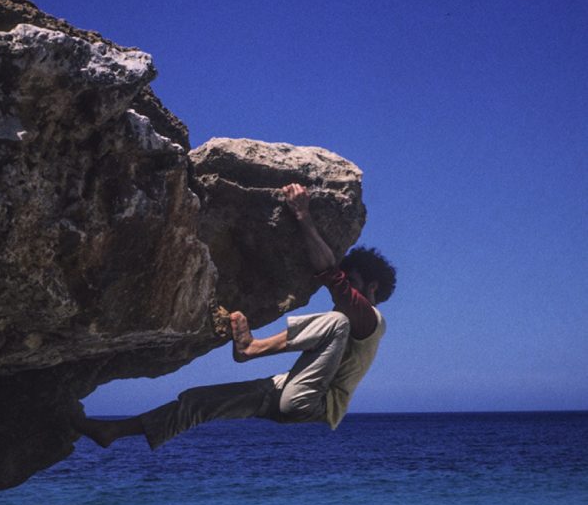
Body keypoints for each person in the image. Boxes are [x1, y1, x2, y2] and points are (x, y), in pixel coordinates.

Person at [76, 183, 396, 450]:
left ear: (372, 287)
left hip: (311, 402)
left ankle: (252, 348)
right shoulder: (346, 327)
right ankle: (113, 431)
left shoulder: (370, 319)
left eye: (355, 282)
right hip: (288, 390)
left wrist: (303, 215)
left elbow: (332, 278)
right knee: (201, 402)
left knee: (337, 321)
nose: (348, 290)